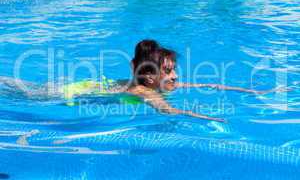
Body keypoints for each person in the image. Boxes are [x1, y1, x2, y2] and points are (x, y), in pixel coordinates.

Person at [0, 40, 286, 123]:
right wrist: (207, 117)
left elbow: (211, 85)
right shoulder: (146, 93)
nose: (175, 77)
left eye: (174, 70)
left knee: (16, 85)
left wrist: (255, 90)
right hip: (68, 94)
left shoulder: (156, 85)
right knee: (19, 92)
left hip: (89, 85)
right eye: (169, 72)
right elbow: (170, 111)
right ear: (151, 77)